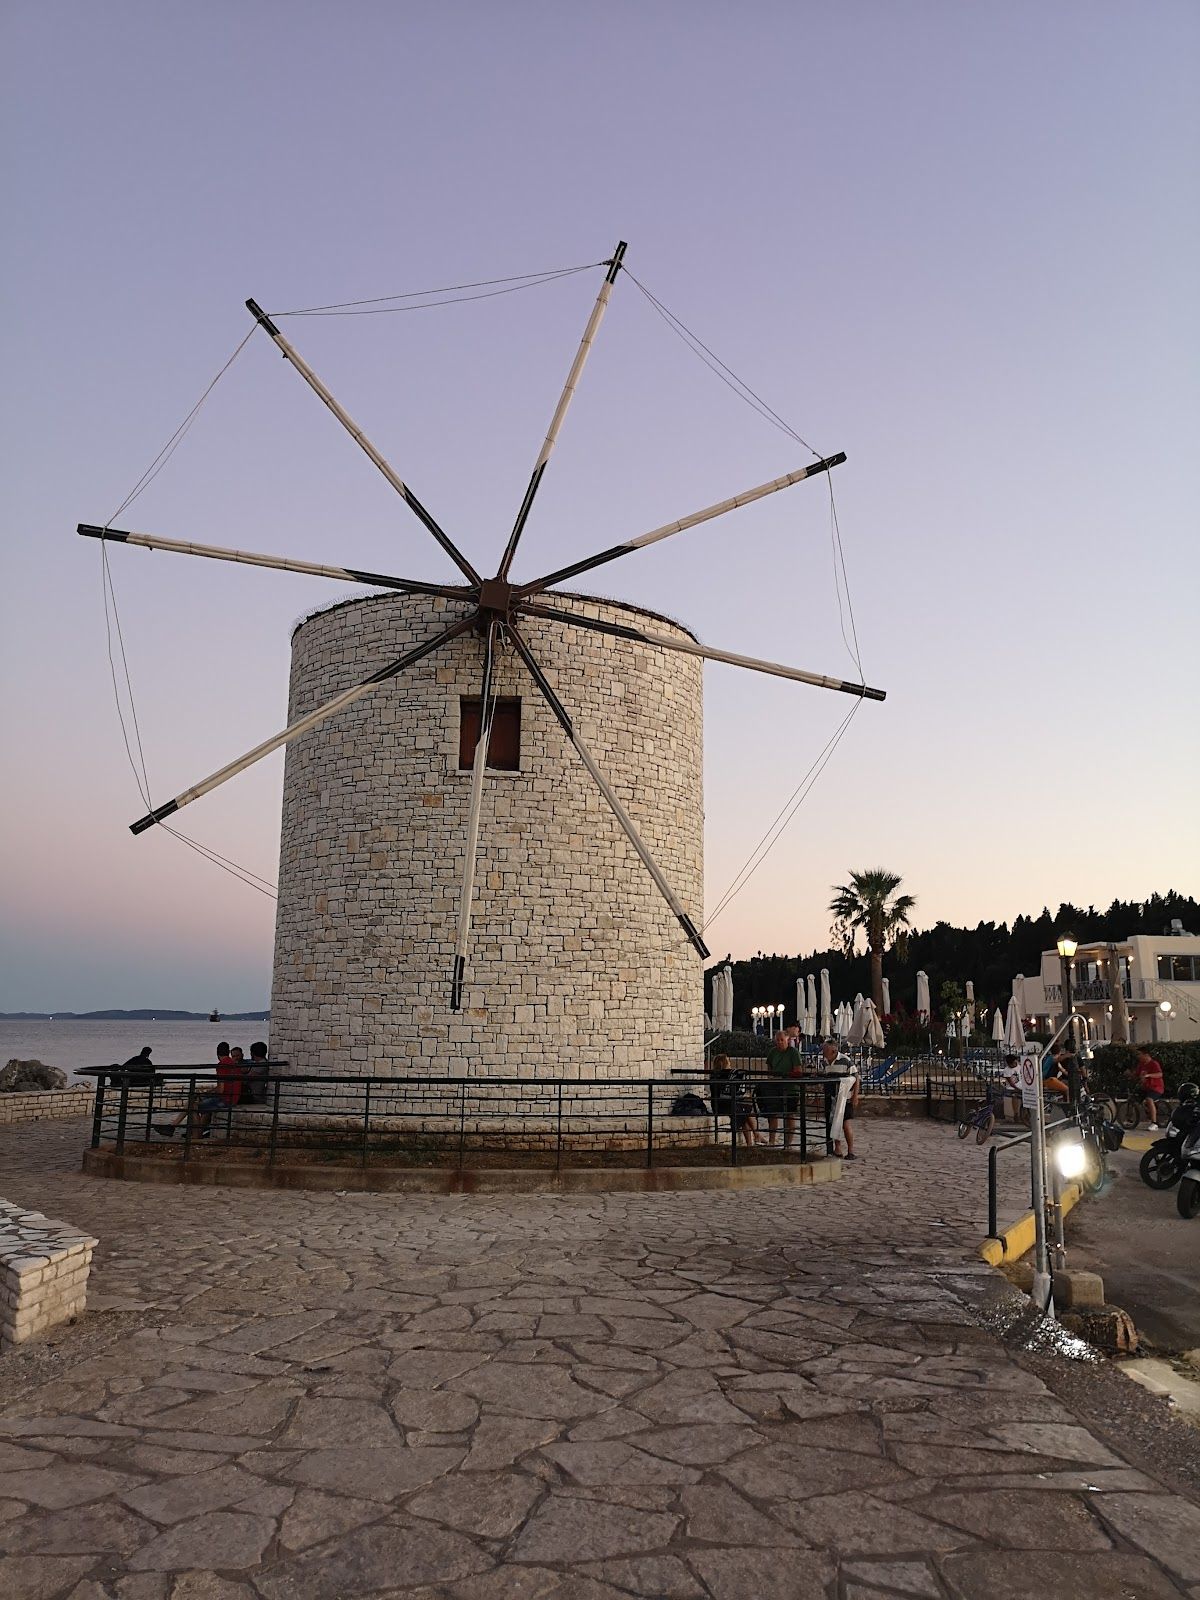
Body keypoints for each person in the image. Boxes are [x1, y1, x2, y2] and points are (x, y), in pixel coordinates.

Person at [154, 1042, 244, 1139]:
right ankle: (174, 1127)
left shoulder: (222, 1065)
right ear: (229, 1052)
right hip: (233, 1098)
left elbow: (221, 1090)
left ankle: (192, 1133)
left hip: (226, 1100)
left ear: (217, 1054)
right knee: (202, 1107)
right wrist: (208, 1093)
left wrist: (208, 1094)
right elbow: (224, 1087)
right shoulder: (234, 1065)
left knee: (193, 1106)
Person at [758, 1031, 804, 1149]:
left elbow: (798, 1070)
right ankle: (772, 1140)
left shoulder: (793, 1053)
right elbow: (769, 1066)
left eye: (781, 1040)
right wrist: (772, 1076)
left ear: (787, 1040)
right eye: (777, 1040)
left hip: (790, 1088)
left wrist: (785, 1075)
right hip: (775, 1087)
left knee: (789, 1115)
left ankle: (787, 1143)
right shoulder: (773, 1052)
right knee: (772, 1114)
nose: (779, 1042)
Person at [821, 1038, 859, 1159]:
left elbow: (856, 1077)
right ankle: (837, 1148)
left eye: (825, 1049)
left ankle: (851, 1150)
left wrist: (855, 1096)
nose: (823, 1051)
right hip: (831, 1097)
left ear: (833, 1050)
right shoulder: (825, 1062)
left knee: (845, 1123)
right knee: (833, 1123)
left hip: (845, 1097)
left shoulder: (845, 1061)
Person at [709, 1053, 759, 1146]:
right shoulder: (722, 1076)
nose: (730, 1063)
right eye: (728, 1061)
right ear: (724, 1063)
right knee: (744, 1110)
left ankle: (752, 1141)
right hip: (721, 1106)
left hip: (725, 1103)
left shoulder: (717, 1075)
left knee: (743, 1110)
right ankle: (754, 1136)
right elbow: (723, 1093)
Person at [1129, 1045, 1166, 1131]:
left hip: (1156, 1088)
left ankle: (1154, 1123)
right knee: (1133, 1098)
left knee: (1149, 1099)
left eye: (1139, 1054)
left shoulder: (1154, 1063)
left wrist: (1148, 1075)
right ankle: (1131, 1118)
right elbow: (1136, 1075)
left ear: (1146, 1055)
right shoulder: (1141, 1065)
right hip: (1145, 1088)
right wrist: (1130, 1074)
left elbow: (1160, 1074)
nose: (1138, 1056)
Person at [242, 1041, 272, 1107]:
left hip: (254, 1096)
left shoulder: (261, 1064)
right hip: (251, 1093)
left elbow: (247, 1079)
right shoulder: (259, 1063)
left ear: (253, 1053)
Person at [1000, 1054, 1022, 1122]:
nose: (1011, 1066)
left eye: (1011, 1064)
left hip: (1021, 1086)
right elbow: (1010, 1083)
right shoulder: (1007, 1070)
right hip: (1012, 1088)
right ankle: (1016, 1113)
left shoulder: (1020, 1066)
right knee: (1014, 1096)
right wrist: (1017, 1088)